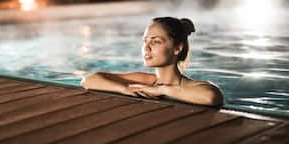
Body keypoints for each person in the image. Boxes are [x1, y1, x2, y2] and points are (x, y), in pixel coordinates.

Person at [81, 16, 223, 106]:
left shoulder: (192, 86)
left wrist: (161, 90)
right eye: (145, 41)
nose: (146, 47)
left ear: (177, 48)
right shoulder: (145, 81)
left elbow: (211, 97)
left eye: (156, 41)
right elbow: (89, 80)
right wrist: (124, 89)